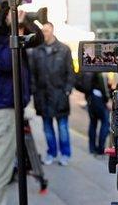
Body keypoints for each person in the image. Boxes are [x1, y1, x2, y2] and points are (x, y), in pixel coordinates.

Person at [0, 0, 43, 205]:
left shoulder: (0, 33)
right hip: (0, 111)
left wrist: (21, 24)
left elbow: (39, 38)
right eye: (5, 5)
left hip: (5, 108)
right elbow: (7, 61)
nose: (8, 10)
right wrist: (17, 32)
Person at [29, 22, 75, 166]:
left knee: (63, 128)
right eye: (42, 31)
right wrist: (35, 93)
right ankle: (51, 153)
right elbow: (32, 75)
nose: (44, 33)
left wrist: (67, 91)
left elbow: (71, 73)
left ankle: (65, 154)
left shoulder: (64, 49)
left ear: (52, 31)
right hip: (43, 97)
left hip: (60, 95)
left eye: (47, 30)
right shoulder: (36, 51)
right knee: (47, 129)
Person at [75, 71, 111, 156]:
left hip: (91, 99)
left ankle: (92, 148)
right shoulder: (100, 71)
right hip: (100, 100)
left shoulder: (90, 68)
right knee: (105, 123)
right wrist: (107, 100)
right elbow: (104, 87)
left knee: (93, 124)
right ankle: (101, 149)